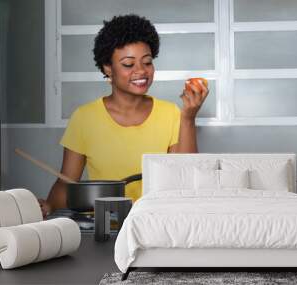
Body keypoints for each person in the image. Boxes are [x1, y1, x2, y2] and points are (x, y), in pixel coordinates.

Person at [39, 14, 208, 217]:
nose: (141, 71)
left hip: (155, 221)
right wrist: (49, 207)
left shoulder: (171, 113)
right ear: (108, 69)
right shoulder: (85, 118)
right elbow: (66, 183)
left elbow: (185, 179)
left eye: (147, 62)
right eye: (129, 64)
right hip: (103, 226)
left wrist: (188, 118)